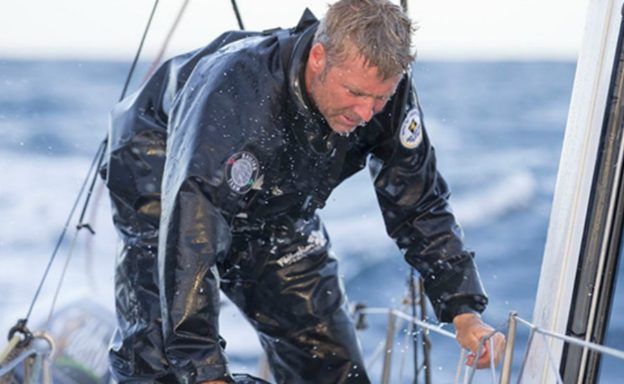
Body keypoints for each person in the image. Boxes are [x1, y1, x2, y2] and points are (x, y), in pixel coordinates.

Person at [103, 0, 505, 383]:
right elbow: (193, 232)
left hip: (277, 203)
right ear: (318, 58)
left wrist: (463, 309)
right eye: (356, 93)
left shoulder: (387, 93)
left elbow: (418, 203)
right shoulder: (237, 91)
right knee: (165, 365)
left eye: (379, 98)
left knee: (330, 366)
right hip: (158, 167)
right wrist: (205, 371)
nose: (366, 113)